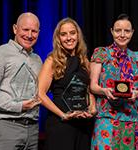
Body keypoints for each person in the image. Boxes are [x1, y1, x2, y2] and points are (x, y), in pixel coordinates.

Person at [90, 13, 138, 150]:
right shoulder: (101, 53)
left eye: (127, 31)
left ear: (132, 32)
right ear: (112, 31)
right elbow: (93, 85)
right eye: (118, 30)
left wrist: (137, 93)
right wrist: (104, 90)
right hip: (107, 117)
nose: (122, 35)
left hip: (134, 118)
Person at [38, 17, 96, 150]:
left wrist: (92, 108)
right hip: (60, 125)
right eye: (63, 34)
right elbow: (40, 94)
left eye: (72, 33)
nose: (69, 38)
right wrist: (62, 115)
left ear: (78, 35)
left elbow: (89, 90)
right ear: (58, 38)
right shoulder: (52, 61)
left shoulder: (85, 61)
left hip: (83, 125)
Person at [0, 12, 42, 150]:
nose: (29, 35)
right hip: (5, 127)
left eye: (34, 31)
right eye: (25, 30)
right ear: (15, 29)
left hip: (32, 129)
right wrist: (18, 106)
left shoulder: (38, 60)